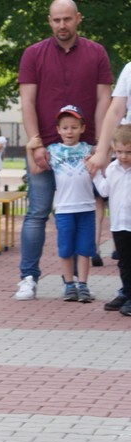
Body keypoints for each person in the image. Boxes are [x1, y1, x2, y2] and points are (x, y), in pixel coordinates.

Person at [15, 0, 112, 300]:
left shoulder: (97, 53)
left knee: (87, 212)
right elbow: (27, 102)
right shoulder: (33, 54)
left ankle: (78, 282)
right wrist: (36, 144)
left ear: (78, 19)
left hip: (85, 151)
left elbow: (104, 102)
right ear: (49, 21)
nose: (62, 25)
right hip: (45, 147)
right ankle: (28, 277)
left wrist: (100, 148)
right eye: (56, 20)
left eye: (67, 19)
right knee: (37, 212)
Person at [26, 105, 96, 302]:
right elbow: (35, 170)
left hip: (87, 207)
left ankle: (83, 284)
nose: (69, 131)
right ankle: (68, 285)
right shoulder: (53, 151)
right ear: (58, 130)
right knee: (65, 249)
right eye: (65, 127)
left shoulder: (88, 149)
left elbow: (104, 157)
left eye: (74, 127)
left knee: (84, 249)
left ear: (82, 128)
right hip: (64, 209)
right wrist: (29, 148)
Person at [93, 125, 131, 314]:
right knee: (124, 261)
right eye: (120, 152)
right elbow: (104, 191)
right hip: (119, 224)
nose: (124, 156)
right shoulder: (113, 168)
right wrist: (95, 176)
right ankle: (126, 292)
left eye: (129, 152)